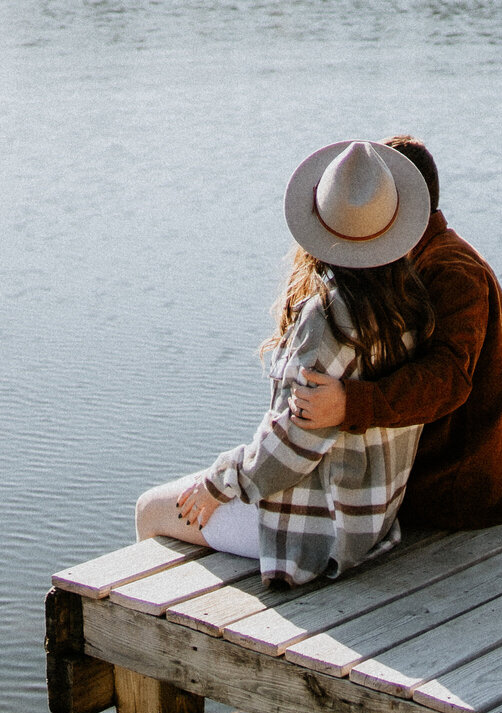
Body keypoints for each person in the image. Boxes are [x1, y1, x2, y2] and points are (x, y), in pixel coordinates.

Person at [134, 140, 436, 587]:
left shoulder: (329, 319)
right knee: (192, 499)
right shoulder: (408, 305)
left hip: (315, 532)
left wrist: (220, 481)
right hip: (370, 523)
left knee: (150, 509)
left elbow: (294, 446)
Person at [287, 136, 502, 530]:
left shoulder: (453, 270)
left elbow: (447, 379)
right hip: (475, 475)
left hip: (477, 489)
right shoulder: (425, 257)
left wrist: (350, 404)